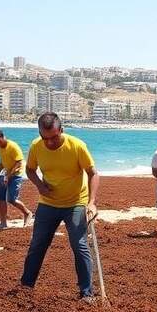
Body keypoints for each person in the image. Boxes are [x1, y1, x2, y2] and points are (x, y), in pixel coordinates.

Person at [20, 113, 100, 301]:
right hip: (48, 204)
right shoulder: (36, 146)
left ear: (61, 130)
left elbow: (93, 173)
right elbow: (30, 169)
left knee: (79, 245)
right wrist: (40, 185)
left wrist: (91, 203)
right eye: (44, 137)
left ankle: (86, 293)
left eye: (54, 137)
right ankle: (26, 287)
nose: (49, 143)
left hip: (75, 203)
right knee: (38, 244)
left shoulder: (77, 146)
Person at [0, 130, 33, 229]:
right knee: (0, 197)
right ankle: (3, 223)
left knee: (12, 199)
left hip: (16, 174)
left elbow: (19, 163)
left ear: (3, 137)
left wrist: (8, 176)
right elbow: (3, 161)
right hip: (6, 173)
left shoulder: (13, 146)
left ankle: (27, 213)